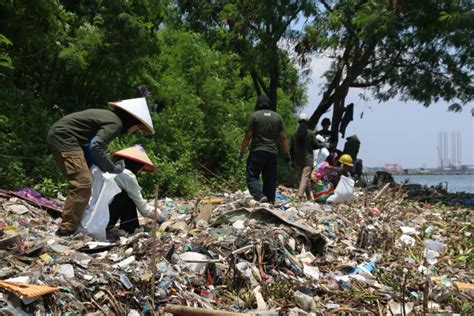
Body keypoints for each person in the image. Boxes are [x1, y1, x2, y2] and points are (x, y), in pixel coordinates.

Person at [47, 98, 154, 236]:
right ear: (132, 121)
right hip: (65, 138)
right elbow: (96, 146)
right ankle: (66, 229)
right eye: (137, 127)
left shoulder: (109, 117)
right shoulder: (115, 124)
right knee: (83, 184)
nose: (134, 131)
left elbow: (90, 147)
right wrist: (112, 168)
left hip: (70, 139)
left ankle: (76, 222)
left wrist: (101, 166)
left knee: (88, 179)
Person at [239, 95, 290, 203]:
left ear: (258, 104)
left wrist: (242, 151)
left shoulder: (255, 116)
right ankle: (270, 202)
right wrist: (286, 154)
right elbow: (283, 138)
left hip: (257, 151)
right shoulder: (277, 117)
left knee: (252, 176)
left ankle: (259, 195)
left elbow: (248, 135)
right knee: (270, 179)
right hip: (272, 152)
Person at [107, 145, 162, 234]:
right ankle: (129, 228)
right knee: (128, 196)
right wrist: (157, 216)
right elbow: (142, 207)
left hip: (94, 219)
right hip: (105, 221)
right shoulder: (127, 175)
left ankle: (127, 227)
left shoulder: (107, 170)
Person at [290, 113, 320, 200]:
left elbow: (291, 149)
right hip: (308, 160)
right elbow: (316, 146)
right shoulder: (311, 134)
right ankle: (300, 196)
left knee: (303, 178)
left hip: (298, 160)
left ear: (298, 122)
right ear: (307, 122)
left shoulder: (293, 134)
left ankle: (309, 197)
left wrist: (291, 160)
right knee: (305, 178)